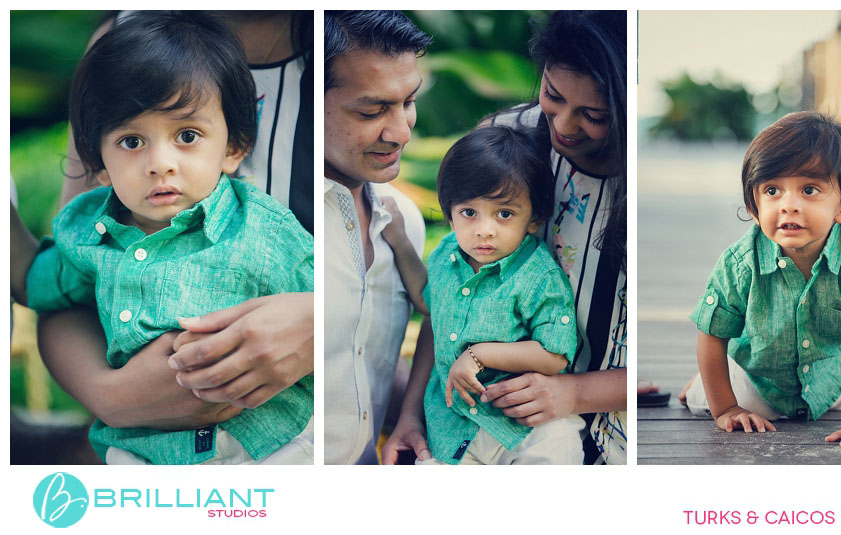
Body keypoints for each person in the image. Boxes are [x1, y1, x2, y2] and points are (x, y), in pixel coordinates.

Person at [10, 12, 313, 464]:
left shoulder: (263, 229)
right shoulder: (87, 234)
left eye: (187, 136)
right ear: (99, 164)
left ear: (233, 148)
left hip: (268, 446)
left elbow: (345, 306)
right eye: (132, 142)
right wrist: (112, 396)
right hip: (140, 451)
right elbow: (37, 283)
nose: (160, 163)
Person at [383, 10, 628, 465]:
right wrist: (410, 413)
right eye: (553, 95)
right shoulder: (503, 143)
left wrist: (576, 391)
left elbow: (557, 353)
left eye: (594, 115)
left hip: (578, 430)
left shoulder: (539, 271)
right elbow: (438, 311)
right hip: (461, 427)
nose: (563, 126)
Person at [680, 111, 841, 448]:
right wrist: (726, 408)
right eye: (772, 190)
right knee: (724, 400)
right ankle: (703, 384)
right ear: (754, 207)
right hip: (759, 378)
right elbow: (712, 335)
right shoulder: (740, 263)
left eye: (809, 190)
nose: (789, 205)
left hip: (832, 378)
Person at [381, 126, 585, 464]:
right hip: (453, 426)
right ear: (450, 215)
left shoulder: (537, 275)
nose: (484, 230)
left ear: (534, 219)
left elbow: (554, 354)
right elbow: (428, 302)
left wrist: (479, 355)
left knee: (557, 449)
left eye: (504, 214)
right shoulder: (447, 255)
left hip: (524, 425)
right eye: (469, 213)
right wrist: (400, 240)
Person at [323, 10, 432, 464]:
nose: (402, 132)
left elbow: (365, 356)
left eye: (409, 101)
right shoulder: (278, 222)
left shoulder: (405, 219)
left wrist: (414, 415)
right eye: (372, 111)